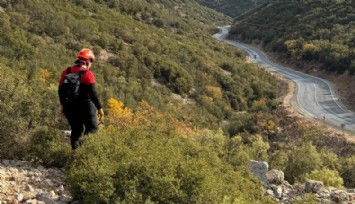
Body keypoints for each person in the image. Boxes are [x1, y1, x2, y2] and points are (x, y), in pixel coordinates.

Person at [58, 48, 104, 149]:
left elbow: (60, 91)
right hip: (85, 106)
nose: (91, 63)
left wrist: (63, 106)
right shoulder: (87, 74)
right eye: (91, 61)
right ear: (88, 61)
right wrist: (99, 108)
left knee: (76, 130)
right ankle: (85, 153)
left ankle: (75, 154)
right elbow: (92, 93)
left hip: (69, 107)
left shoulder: (66, 72)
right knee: (92, 128)